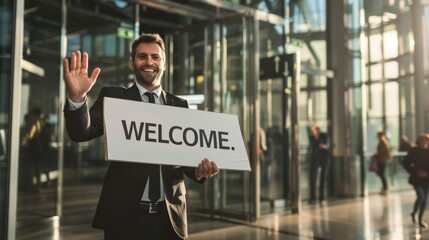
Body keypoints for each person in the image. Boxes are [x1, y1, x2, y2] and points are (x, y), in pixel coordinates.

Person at [63, 33, 219, 240]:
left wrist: (200, 171)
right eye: (142, 56)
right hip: (124, 217)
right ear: (132, 62)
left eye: (155, 57)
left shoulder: (179, 105)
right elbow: (80, 132)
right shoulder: (114, 97)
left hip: (170, 218)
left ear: (164, 63)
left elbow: (184, 161)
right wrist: (77, 98)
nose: (149, 62)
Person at [401, 134, 429, 228]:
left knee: (424, 199)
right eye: (421, 140)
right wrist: (416, 171)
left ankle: (420, 218)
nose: (424, 142)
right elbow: (405, 163)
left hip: (427, 178)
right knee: (421, 196)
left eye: (425, 140)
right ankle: (414, 213)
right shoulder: (414, 151)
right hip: (416, 178)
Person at [308, 124, 331, 204]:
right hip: (315, 158)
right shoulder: (311, 137)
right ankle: (312, 197)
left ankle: (322, 197)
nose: (314, 131)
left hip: (325, 158)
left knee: (323, 178)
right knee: (312, 178)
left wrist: (324, 146)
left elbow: (327, 145)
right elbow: (312, 147)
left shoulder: (324, 135)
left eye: (315, 129)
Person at [373, 129, 392, 194]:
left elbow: (384, 152)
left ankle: (385, 186)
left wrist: (377, 156)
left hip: (382, 160)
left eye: (379, 134)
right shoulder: (382, 142)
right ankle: (385, 186)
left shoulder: (383, 142)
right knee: (380, 173)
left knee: (381, 173)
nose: (377, 136)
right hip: (381, 160)